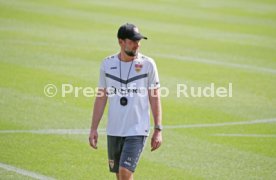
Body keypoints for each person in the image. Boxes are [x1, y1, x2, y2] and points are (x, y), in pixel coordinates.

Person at [89, 23, 163, 180]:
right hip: (114, 129)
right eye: (133, 41)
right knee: (120, 176)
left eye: (138, 41)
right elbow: (101, 97)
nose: (137, 45)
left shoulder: (148, 64)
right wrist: (93, 128)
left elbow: (155, 97)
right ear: (120, 42)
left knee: (124, 172)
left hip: (137, 129)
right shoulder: (107, 64)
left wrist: (158, 129)